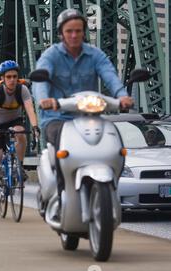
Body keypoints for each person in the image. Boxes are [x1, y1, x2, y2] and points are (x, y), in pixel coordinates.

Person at [32, 8, 134, 197]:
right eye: (69, 31)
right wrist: (43, 99)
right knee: (60, 140)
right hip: (57, 116)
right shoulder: (51, 55)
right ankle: (62, 189)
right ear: (61, 33)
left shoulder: (95, 54)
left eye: (78, 31)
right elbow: (41, 81)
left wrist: (121, 96)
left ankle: (111, 182)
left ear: (83, 32)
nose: (74, 35)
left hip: (88, 115)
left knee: (113, 139)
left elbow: (109, 75)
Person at [0, 60, 40, 209]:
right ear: (2, 78)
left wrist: (35, 127)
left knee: (21, 134)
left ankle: (19, 167)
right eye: (8, 77)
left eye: (15, 76)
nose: (12, 80)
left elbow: (30, 110)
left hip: (14, 120)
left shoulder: (22, 90)